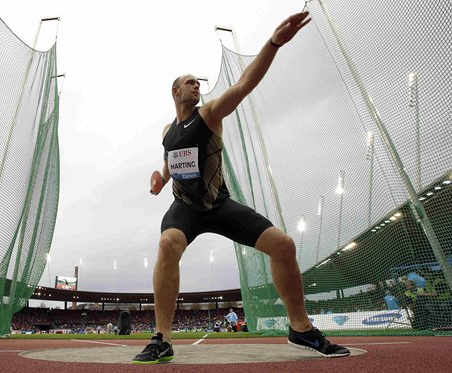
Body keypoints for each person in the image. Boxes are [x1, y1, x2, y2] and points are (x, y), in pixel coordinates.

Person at [132, 10, 350, 364]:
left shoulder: (211, 113)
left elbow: (244, 84)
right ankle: (162, 338)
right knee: (167, 243)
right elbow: (173, 160)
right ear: (175, 91)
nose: (197, 86)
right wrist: (161, 178)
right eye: (190, 82)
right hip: (185, 209)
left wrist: (274, 42)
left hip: (219, 204)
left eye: (198, 83)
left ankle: (301, 328)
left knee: (283, 245)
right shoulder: (166, 132)